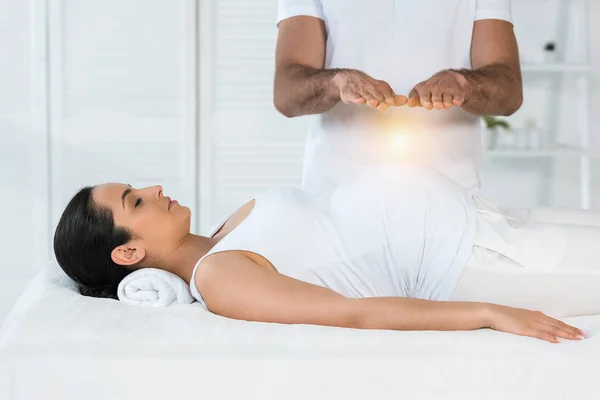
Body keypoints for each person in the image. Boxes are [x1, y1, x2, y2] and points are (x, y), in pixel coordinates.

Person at [54, 165, 599, 344]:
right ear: (128, 251)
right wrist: (489, 312)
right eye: (136, 201)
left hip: (488, 219)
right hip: (479, 260)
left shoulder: (224, 233)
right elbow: (351, 312)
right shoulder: (220, 277)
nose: (153, 189)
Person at [273, 0, 523, 197]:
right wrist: (336, 82)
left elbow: (509, 92)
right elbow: (287, 93)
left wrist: (463, 84)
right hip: (335, 199)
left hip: (451, 201)